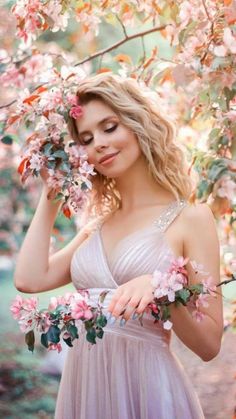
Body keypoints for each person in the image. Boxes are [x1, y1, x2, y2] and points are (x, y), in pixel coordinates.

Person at [14, 73, 223, 419]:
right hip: (85, 393)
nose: (98, 143)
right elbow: (30, 279)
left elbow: (210, 345)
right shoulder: (95, 226)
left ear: (137, 122)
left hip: (150, 392)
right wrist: (51, 197)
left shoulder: (191, 218)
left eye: (109, 127)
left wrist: (161, 290)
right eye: (86, 138)